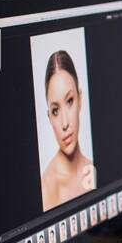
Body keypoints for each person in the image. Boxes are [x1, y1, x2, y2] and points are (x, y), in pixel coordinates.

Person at [39, 50, 94, 211]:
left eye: (70, 101)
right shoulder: (45, 191)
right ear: (49, 117)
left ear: (80, 99)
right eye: (55, 111)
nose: (65, 123)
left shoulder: (94, 169)